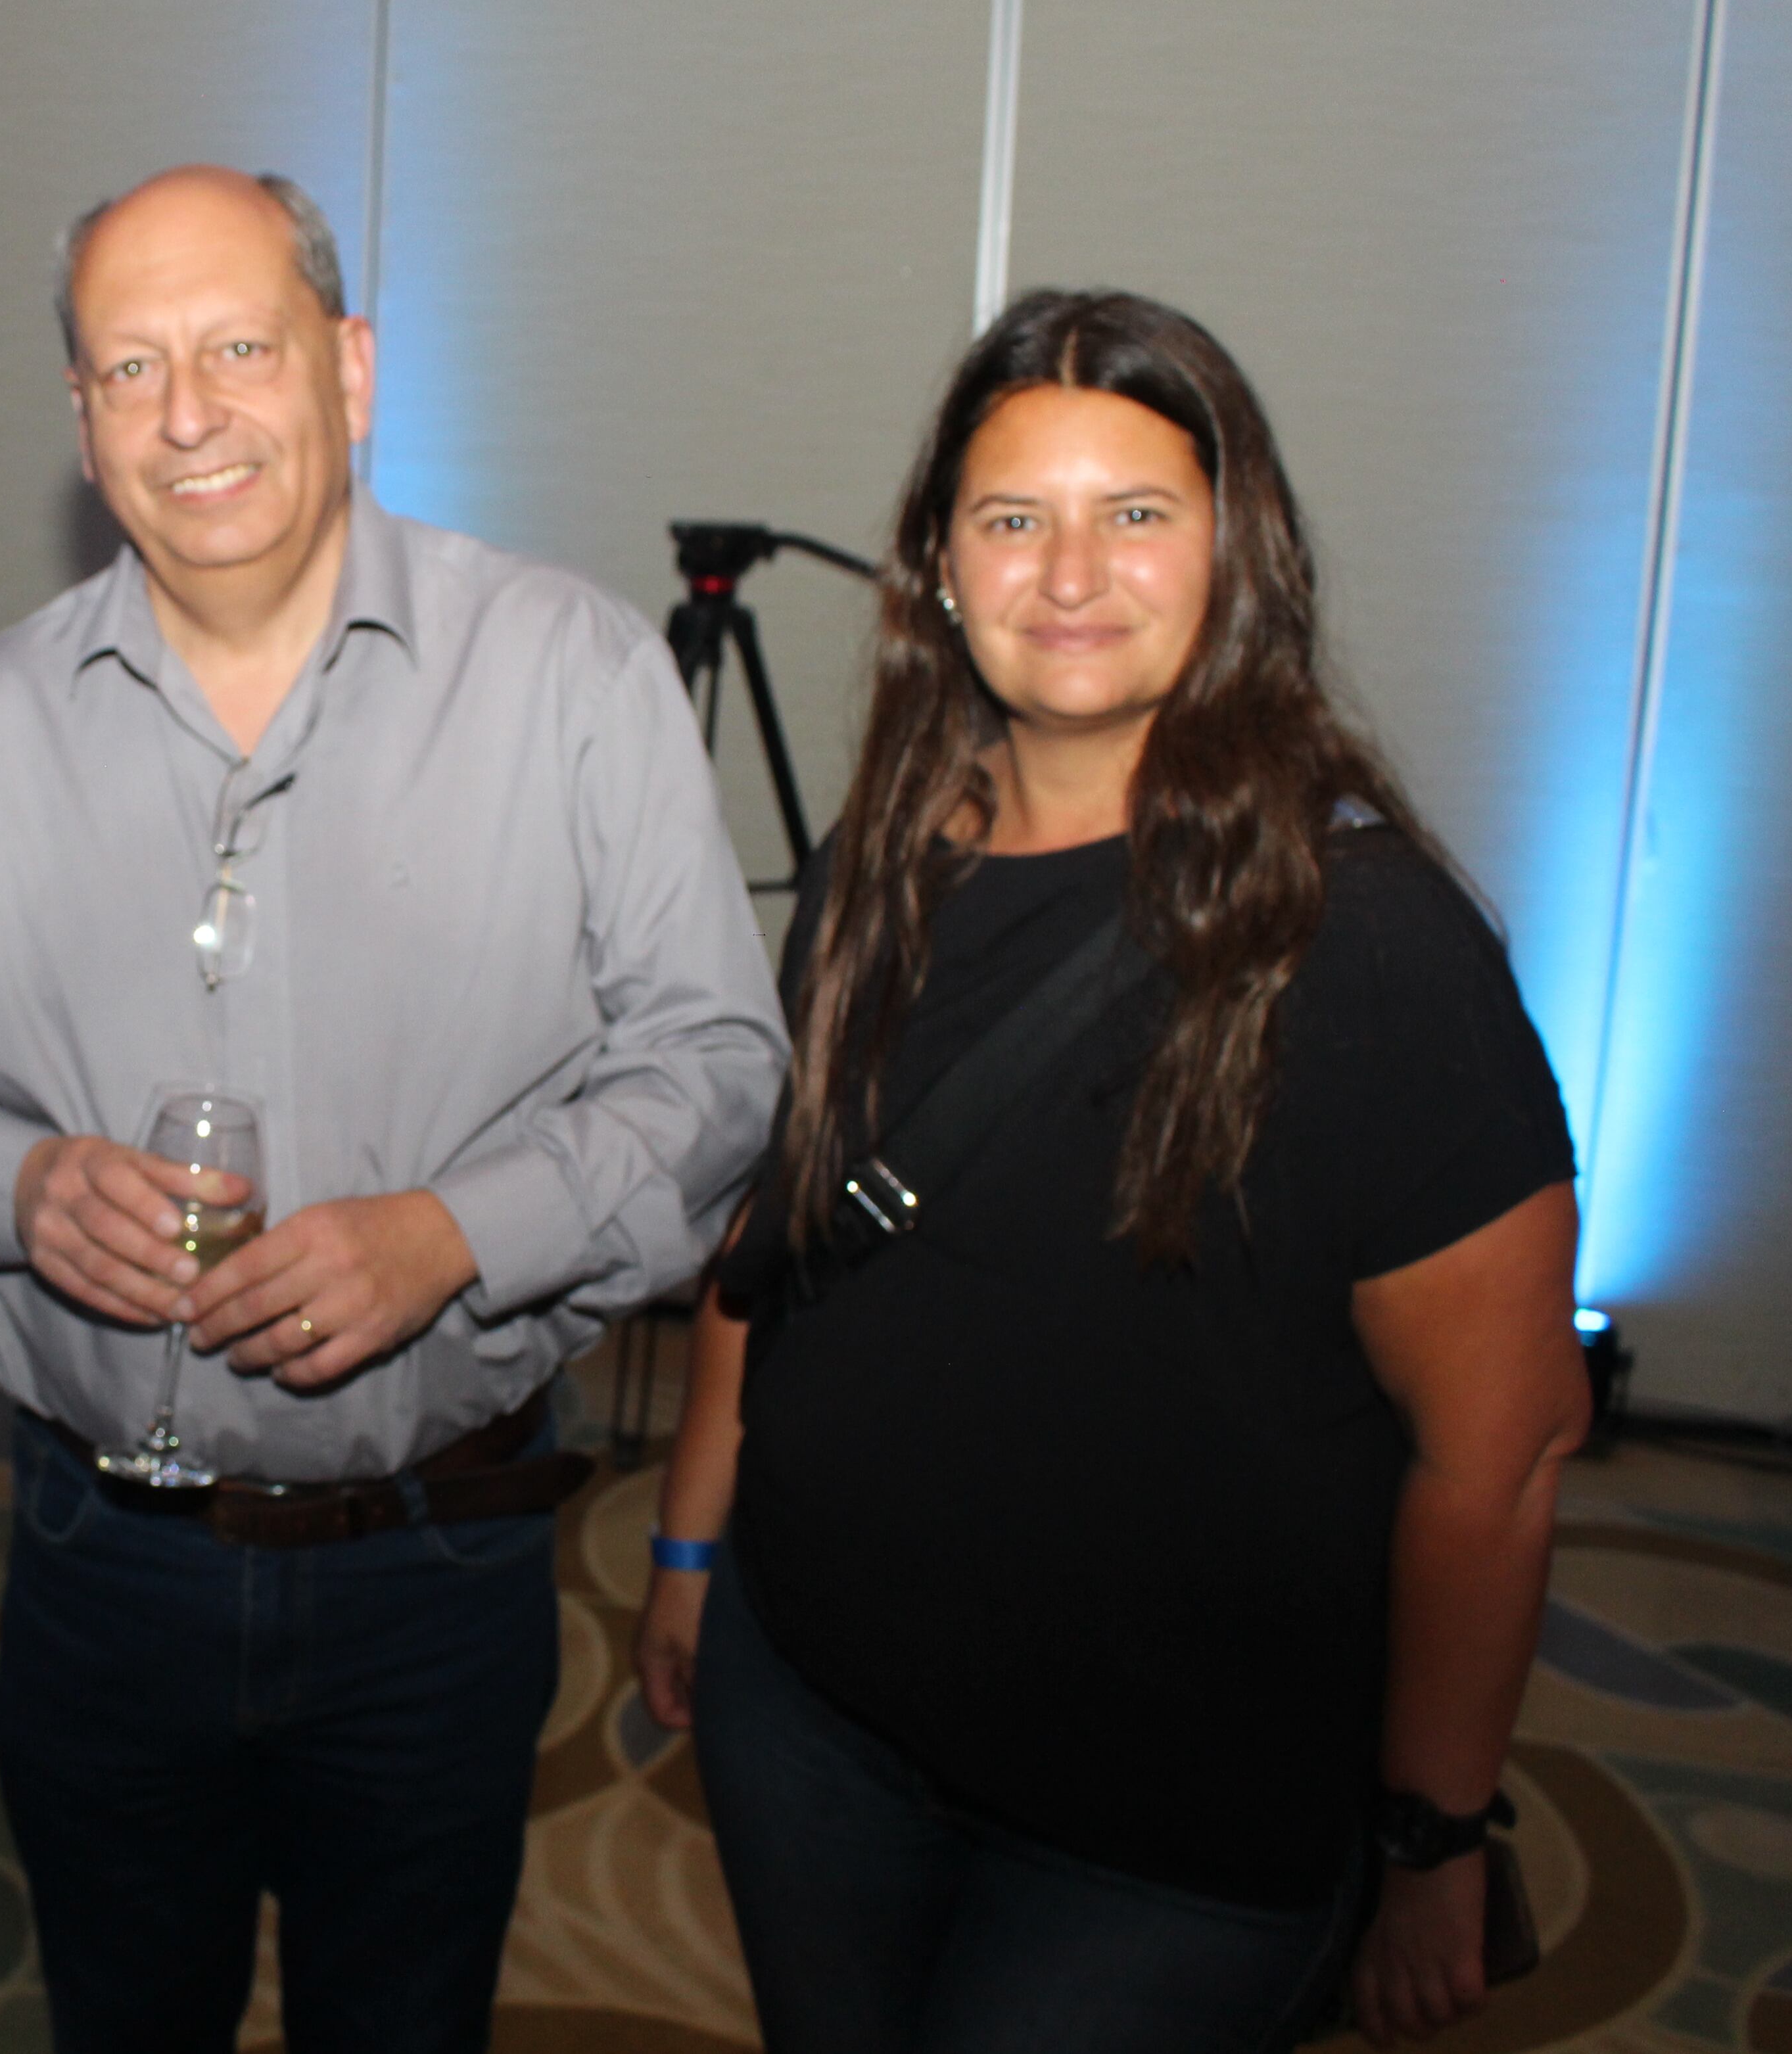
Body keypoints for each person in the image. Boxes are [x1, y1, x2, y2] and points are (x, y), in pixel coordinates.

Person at [0, 166, 786, 2053]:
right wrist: (15, 1186)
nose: (189, 412)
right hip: (98, 1567)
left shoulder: (569, 678)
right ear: (83, 424)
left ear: (348, 366)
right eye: (129, 366)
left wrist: (454, 1232)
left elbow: (720, 1063)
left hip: (437, 1558)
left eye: (239, 347)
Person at [632, 290, 1587, 2053]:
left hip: (1170, 1829)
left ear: (1239, 550)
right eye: (1014, 518)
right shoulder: (877, 859)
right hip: (818, 1713)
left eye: (1135, 513)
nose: (1069, 571)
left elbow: (1500, 1446)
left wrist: (1434, 1834)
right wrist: (693, 1545)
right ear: (934, 562)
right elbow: (779, 1238)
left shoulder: (1367, 944)